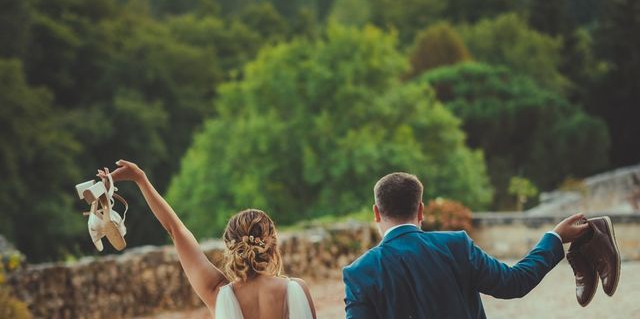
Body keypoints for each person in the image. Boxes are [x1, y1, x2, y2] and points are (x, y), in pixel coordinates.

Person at [342, 172, 591, 318]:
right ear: (421, 210)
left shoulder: (359, 273)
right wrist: (555, 238)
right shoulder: (456, 245)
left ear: (376, 212)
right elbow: (515, 282)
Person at [98, 160, 316, 319]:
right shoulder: (296, 290)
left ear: (231, 246)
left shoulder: (218, 293)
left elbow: (176, 230)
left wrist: (140, 179)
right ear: (272, 243)